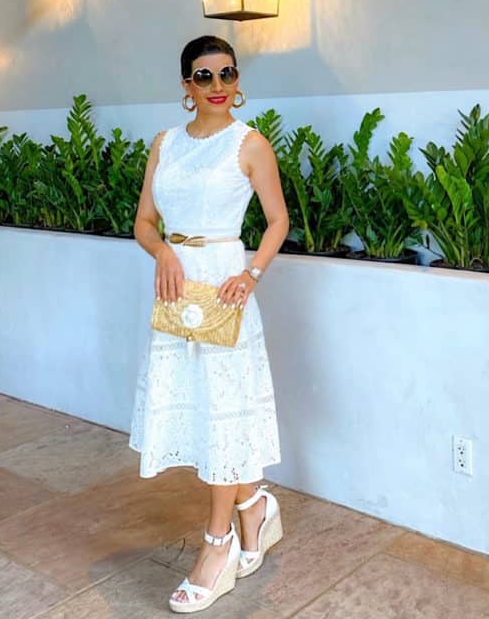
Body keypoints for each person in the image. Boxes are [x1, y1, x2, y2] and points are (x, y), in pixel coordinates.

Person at [129, 35, 289, 613]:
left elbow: (277, 220)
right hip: (177, 287)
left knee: (223, 410)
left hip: (225, 285)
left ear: (236, 81)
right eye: (204, 76)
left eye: (226, 74)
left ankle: (217, 546)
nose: (217, 86)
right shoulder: (165, 144)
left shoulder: (250, 145)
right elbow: (145, 221)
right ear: (185, 86)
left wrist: (251, 275)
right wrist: (164, 253)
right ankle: (256, 510)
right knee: (202, 410)